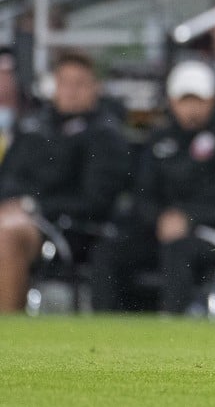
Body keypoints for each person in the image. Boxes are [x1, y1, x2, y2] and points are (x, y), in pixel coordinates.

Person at [90, 60, 215, 313]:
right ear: (172, 102)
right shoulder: (160, 138)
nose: (191, 109)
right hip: (162, 230)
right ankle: (105, 325)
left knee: (178, 250)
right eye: (184, 101)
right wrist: (160, 219)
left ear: (213, 99)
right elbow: (142, 192)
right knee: (109, 252)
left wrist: (191, 218)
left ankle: (175, 326)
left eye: (198, 100)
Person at [0, 51, 130, 313]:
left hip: (71, 228)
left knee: (7, 233)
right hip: (18, 215)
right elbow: (8, 176)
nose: (71, 91)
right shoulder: (34, 126)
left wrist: (33, 206)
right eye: (64, 83)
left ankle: (7, 325)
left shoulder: (106, 134)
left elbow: (97, 201)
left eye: (79, 83)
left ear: (95, 87)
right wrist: (14, 202)